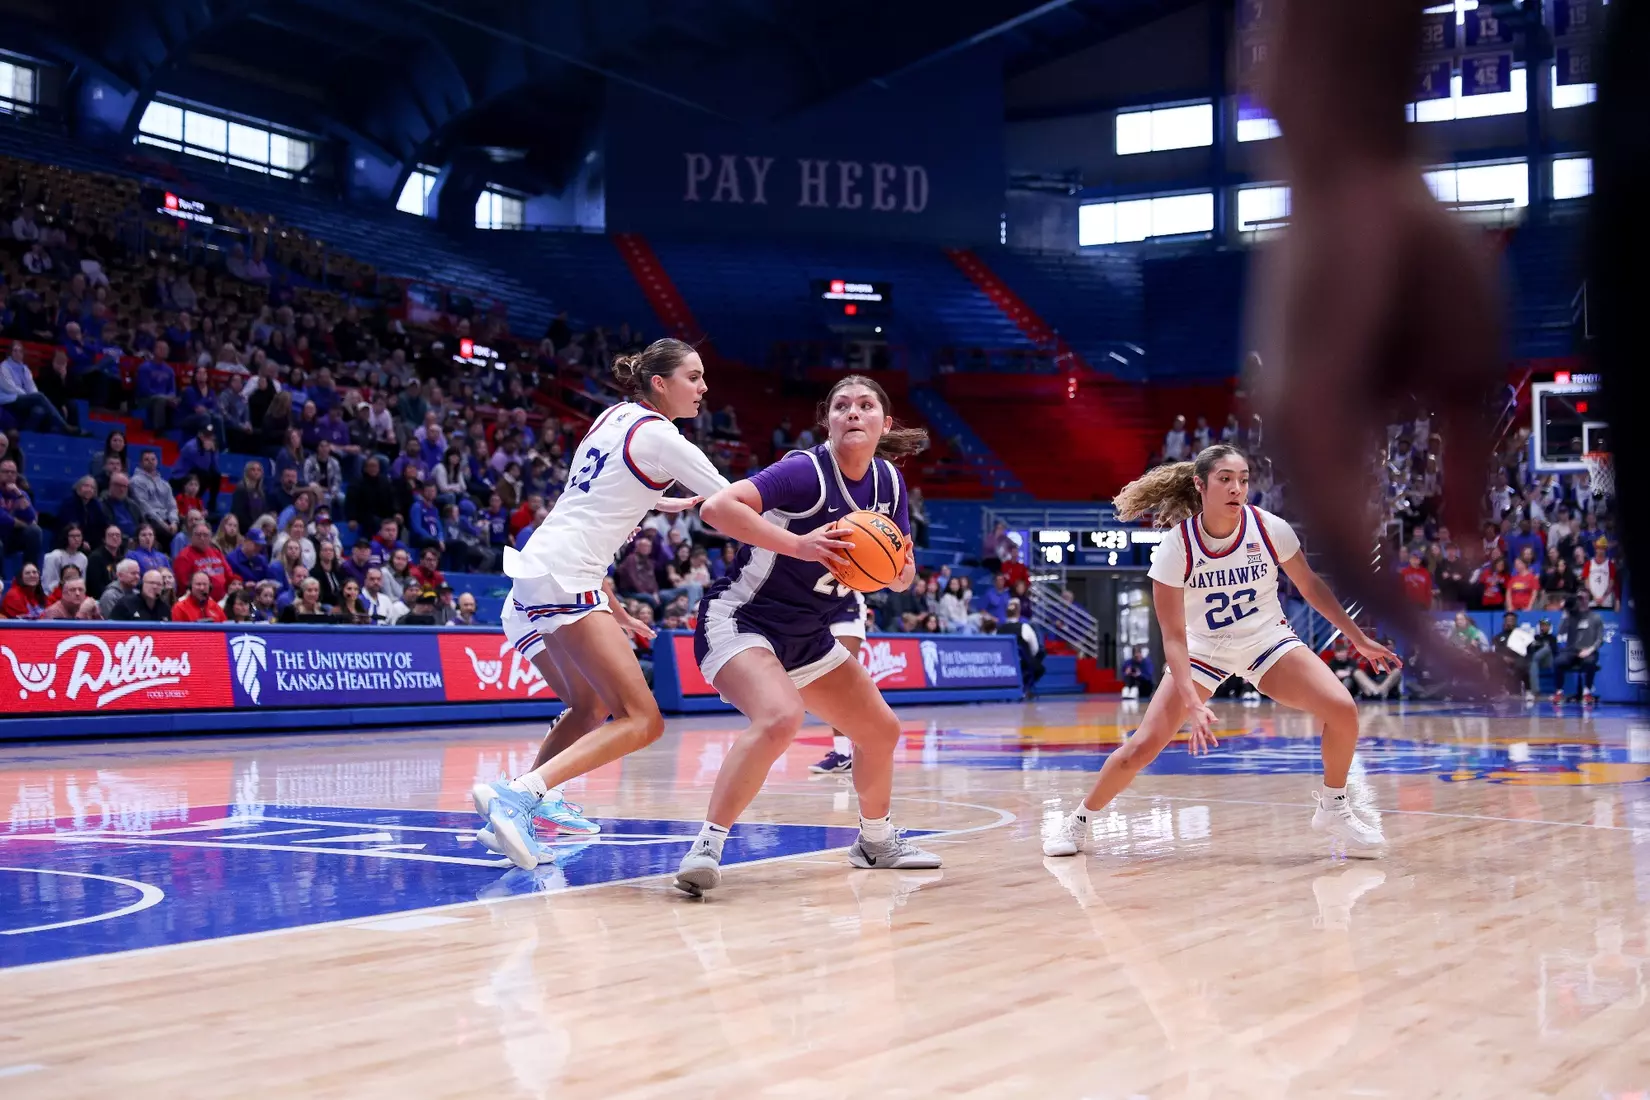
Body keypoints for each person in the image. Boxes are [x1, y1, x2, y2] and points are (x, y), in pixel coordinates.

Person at [1044, 445, 1398, 861]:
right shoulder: (1176, 548)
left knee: (1343, 708)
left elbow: (1310, 586)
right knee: (1143, 747)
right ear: (1201, 485)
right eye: (1225, 479)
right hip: (1203, 650)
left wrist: (1357, 638)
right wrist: (1192, 703)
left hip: (1265, 640)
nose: (1237, 488)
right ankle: (1079, 821)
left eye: (1244, 479)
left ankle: (1334, 806)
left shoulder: (1270, 528)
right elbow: (1173, 638)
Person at [674, 374, 938, 896]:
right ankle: (706, 844)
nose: (853, 413)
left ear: (885, 424)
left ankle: (875, 841)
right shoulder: (804, 471)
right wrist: (801, 545)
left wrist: (898, 572)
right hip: (742, 618)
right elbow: (717, 508)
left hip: (810, 633)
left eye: (866, 406)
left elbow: (900, 571)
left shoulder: (889, 483)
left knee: (880, 732)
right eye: (842, 406)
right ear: (828, 421)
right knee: (780, 717)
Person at [474, 338, 729, 869]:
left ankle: (533, 805)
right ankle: (520, 795)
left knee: (590, 706)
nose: (704, 388)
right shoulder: (663, 436)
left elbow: (602, 485)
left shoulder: (614, 415)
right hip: (568, 573)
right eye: (694, 376)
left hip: (536, 566)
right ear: (661, 383)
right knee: (643, 719)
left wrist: (662, 499)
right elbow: (733, 500)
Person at [1554, 593, 1605, 706]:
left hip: (1589, 651)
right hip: (1572, 651)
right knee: (1558, 662)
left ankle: (1587, 693)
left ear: (1588, 600)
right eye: (1579, 599)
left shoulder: (1595, 617)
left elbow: (1600, 639)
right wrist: (1565, 613)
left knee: (1589, 661)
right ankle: (1559, 692)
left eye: (1583, 598)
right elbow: (1561, 631)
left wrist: (1589, 650)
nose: (1581, 601)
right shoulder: (1570, 616)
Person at [0, 458, 43, 569]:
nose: (9, 475)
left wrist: (18, 494)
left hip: (12, 537)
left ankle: (29, 571)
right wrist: (21, 523)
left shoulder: (20, 494)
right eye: (5, 471)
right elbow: (2, 518)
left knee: (35, 531)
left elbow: (32, 518)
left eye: (13, 472)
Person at [42, 524, 88, 595]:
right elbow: (48, 585)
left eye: (78, 536)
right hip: (55, 596)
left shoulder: (83, 558)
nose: (76, 539)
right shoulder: (54, 556)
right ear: (66, 537)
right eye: (72, 536)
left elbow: (82, 583)